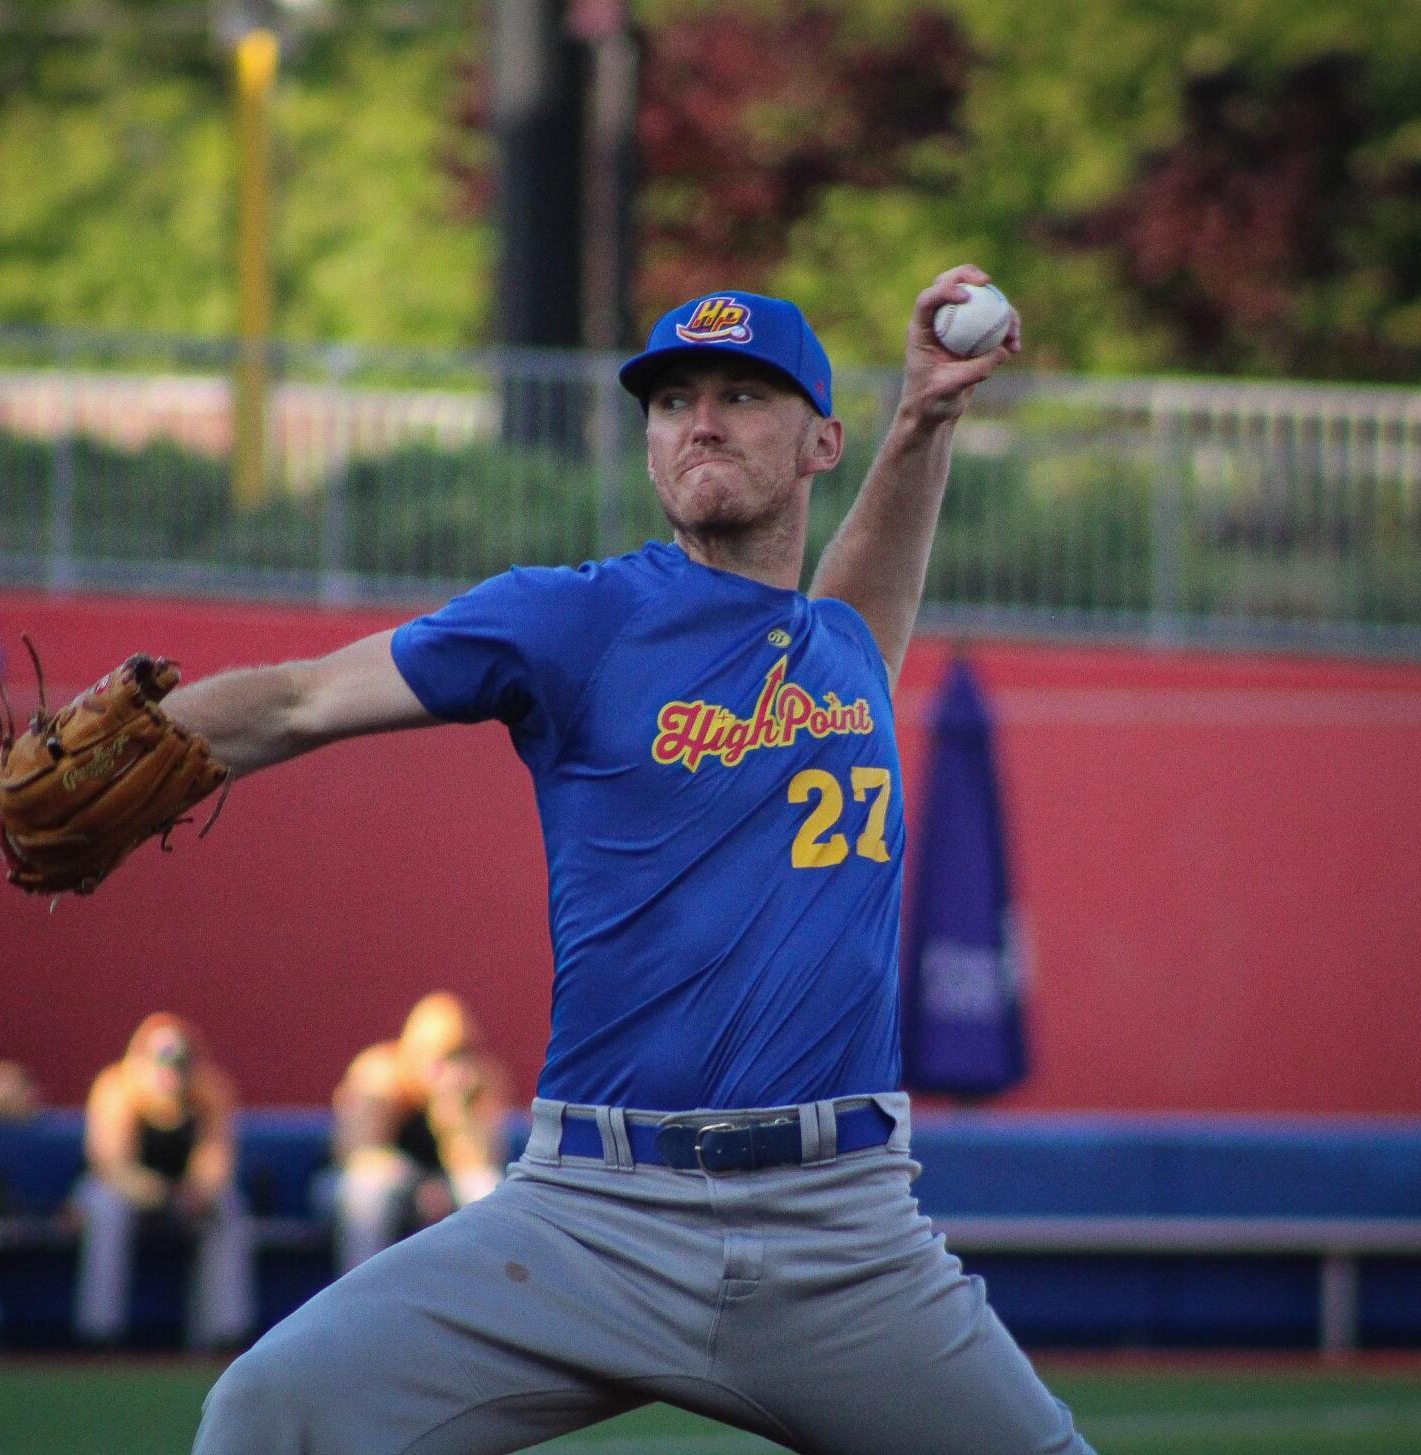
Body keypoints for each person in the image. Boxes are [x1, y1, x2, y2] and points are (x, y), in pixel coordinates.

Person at [167, 270, 1092, 1453]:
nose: (699, 419)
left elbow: (859, 610)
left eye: (742, 395)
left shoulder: (836, 656)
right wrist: (139, 736)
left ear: (821, 441)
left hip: (842, 1236)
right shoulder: (575, 620)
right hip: (591, 1219)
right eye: (672, 401)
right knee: (271, 1414)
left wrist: (926, 419)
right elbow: (300, 701)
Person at [72, 1013, 254, 1351]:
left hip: (182, 1194)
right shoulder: (116, 1087)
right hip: (121, 1190)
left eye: (180, 1063)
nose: (169, 1072)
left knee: (227, 1208)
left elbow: (216, 1160)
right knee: (106, 1209)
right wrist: (158, 1193)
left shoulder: (210, 1091)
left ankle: (224, 1336)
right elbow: (110, 1165)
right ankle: (99, 1335)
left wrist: (200, 1190)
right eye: (160, 1062)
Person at [326, 991, 509, 1273]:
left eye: (460, 1054)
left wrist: (453, 1117)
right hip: (357, 1188)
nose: (449, 1067)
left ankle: (491, 1301)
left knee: (485, 1187)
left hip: (441, 1185)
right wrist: (419, 1187)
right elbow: (355, 1158)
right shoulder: (378, 1076)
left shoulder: (478, 1084)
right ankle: (362, 1299)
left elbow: (481, 1167)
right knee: (369, 1189)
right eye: (438, 1056)